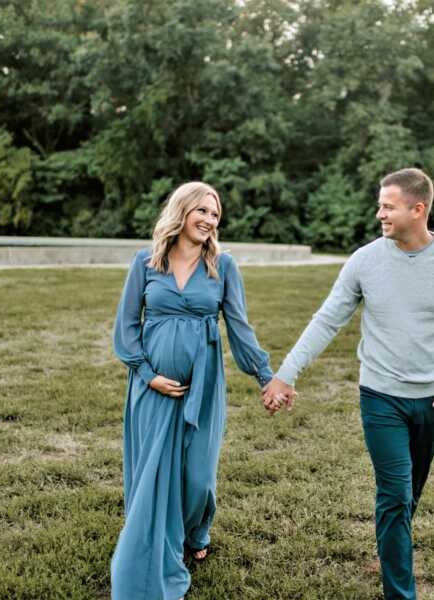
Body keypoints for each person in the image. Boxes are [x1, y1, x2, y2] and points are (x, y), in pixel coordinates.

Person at [263, 168, 434, 600]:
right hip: (380, 396)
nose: (379, 214)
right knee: (394, 494)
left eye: (388, 206)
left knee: (407, 498)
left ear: (417, 209)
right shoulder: (365, 260)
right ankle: (399, 593)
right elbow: (328, 319)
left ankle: (392, 545)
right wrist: (285, 374)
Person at [110, 181, 274, 600]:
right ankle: (155, 549)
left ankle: (196, 529)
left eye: (215, 214)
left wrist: (265, 375)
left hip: (202, 386)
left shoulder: (222, 265)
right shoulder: (146, 262)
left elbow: (239, 327)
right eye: (202, 210)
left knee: (198, 476)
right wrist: (147, 374)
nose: (209, 220)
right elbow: (127, 326)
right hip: (151, 389)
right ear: (182, 212)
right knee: (154, 475)